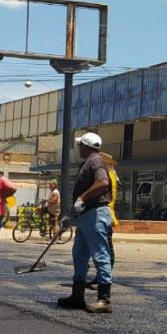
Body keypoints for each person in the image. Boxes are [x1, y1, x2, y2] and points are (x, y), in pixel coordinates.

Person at [58, 132, 114, 314]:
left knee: (100, 255)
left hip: (96, 215)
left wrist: (82, 197)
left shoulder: (95, 161)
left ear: (85, 146)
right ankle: (77, 296)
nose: (78, 148)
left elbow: (103, 182)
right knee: (79, 255)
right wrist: (70, 215)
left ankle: (104, 300)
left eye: (80, 145)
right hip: (86, 216)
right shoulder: (89, 162)